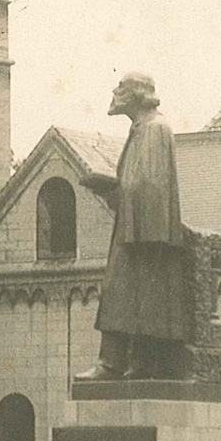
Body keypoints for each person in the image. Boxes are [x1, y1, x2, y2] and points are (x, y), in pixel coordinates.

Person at [77, 71, 187, 380]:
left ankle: (118, 364)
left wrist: (114, 190)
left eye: (121, 87)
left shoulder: (156, 129)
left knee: (127, 295)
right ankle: (123, 363)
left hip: (144, 235)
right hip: (134, 229)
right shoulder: (141, 129)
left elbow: (149, 187)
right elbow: (138, 184)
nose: (114, 91)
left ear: (138, 94)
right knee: (122, 296)